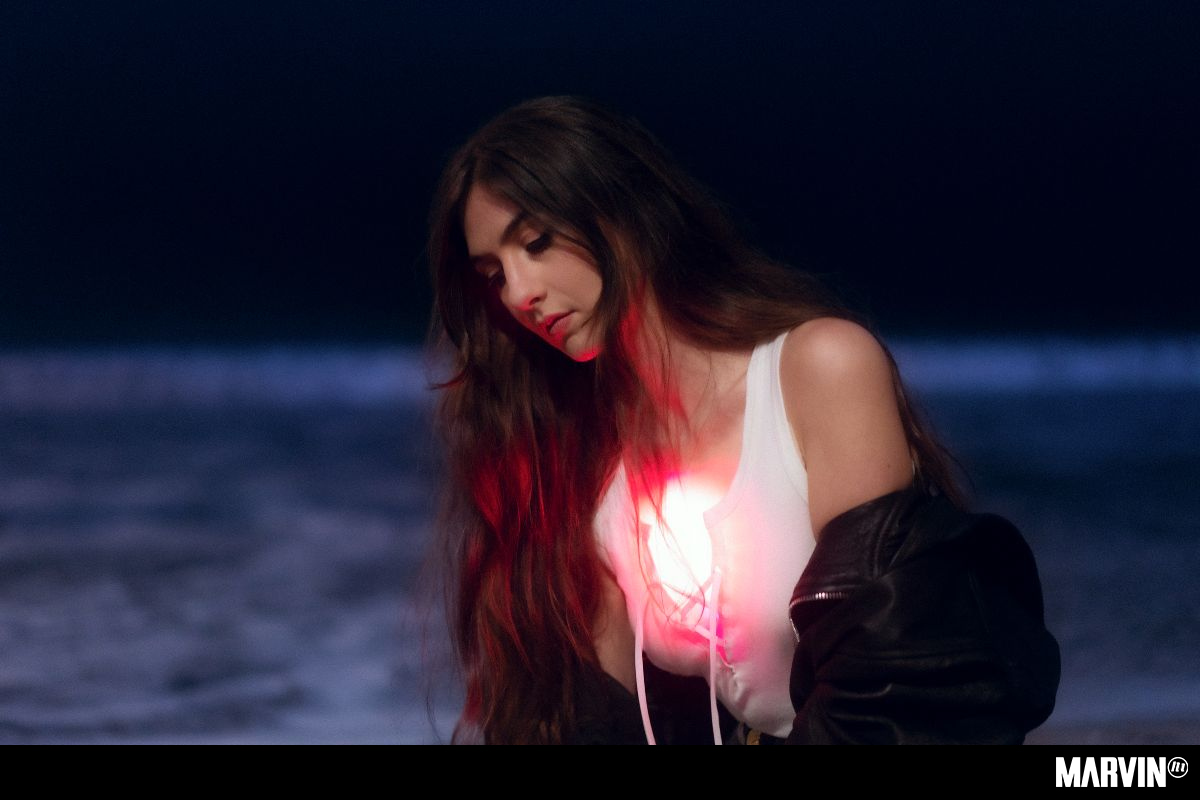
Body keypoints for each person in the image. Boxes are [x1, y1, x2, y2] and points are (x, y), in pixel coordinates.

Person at [425, 95, 1059, 744]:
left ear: (623, 213)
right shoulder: (590, 467)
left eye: (536, 242)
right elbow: (599, 725)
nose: (519, 293)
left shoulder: (818, 370)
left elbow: (896, 681)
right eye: (493, 274)